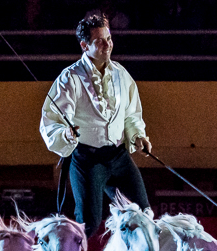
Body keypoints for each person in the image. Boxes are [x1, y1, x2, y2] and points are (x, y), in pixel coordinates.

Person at [39, 13, 152, 236]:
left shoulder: (122, 74)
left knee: (143, 215)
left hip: (118, 157)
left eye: (108, 39)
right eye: (99, 40)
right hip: (87, 160)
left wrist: (138, 136)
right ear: (84, 45)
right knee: (89, 224)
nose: (107, 45)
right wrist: (67, 134)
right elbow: (52, 119)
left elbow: (131, 114)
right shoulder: (69, 77)